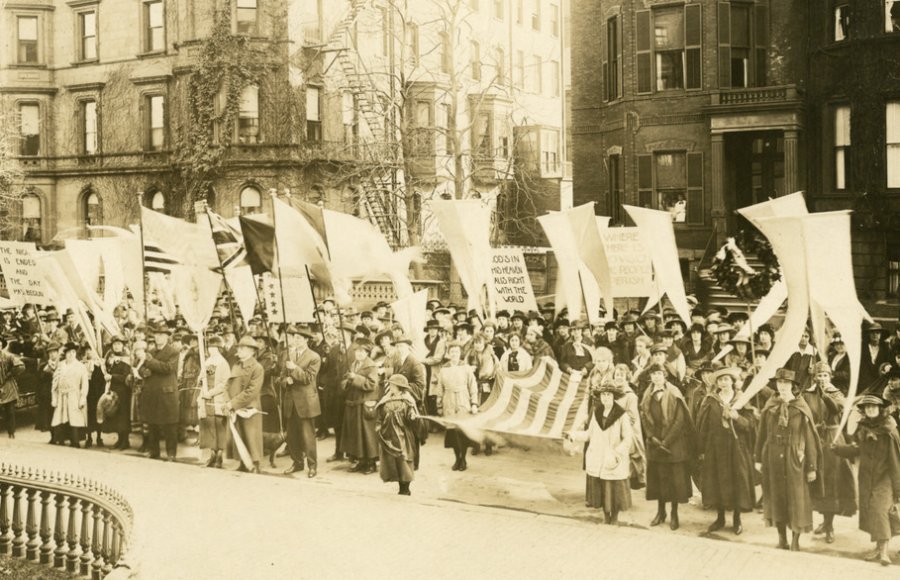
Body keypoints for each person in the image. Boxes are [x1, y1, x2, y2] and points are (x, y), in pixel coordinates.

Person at [755, 368, 823, 551]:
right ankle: (781, 538)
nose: (783, 386)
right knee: (777, 497)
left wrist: (812, 467)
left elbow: (810, 438)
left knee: (796, 499)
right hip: (772, 457)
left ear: (793, 386)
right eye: (780, 383)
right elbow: (761, 434)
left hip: (795, 458)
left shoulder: (801, 407)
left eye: (786, 383)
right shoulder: (770, 406)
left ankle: (795, 540)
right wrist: (758, 459)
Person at [832, 395, 900, 567]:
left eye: (873, 406)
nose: (870, 409)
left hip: (884, 477)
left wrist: (897, 488)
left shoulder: (889, 430)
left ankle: (884, 552)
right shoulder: (863, 429)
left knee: (880, 511)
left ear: (880, 409)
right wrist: (839, 449)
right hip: (866, 477)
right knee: (872, 512)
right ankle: (878, 548)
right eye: (867, 407)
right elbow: (858, 450)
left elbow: (895, 461)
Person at [696, 367, 756, 535]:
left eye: (726, 379)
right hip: (715, 447)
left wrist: (736, 417)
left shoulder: (741, 399)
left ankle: (737, 519)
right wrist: (702, 448)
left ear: (732, 381)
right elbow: (704, 425)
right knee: (717, 480)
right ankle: (720, 517)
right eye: (720, 380)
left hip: (736, 447)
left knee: (736, 480)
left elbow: (750, 425)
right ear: (717, 383)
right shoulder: (711, 400)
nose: (723, 382)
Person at [804, 362, 857, 543]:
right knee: (818, 479)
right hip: (815, 437)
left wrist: (826, 396)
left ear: (830, 377)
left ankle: (830, 524)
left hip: (833, 438)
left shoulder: (837, 393)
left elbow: (837, 409)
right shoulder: (808, 394)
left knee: (833, 480)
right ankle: (824, 521)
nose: (822, 379)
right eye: (819, 376)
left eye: (825, 375)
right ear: (814, 377)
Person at [640, 364, 696, 530]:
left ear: (664, 375)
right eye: (653, 374)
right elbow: (644, 416)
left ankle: (674, 513)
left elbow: (680, 421)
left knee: (674, 481)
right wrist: (651, 437)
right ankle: (660, 511)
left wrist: (666, 442)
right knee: (658, 479)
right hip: (655, 443)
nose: (656, 377)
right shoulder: (647, 394)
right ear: (650, 377)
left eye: (659, 373)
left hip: (673, 444)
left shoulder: (674, 393)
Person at [568, 383, 633, 524]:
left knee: (613, 490)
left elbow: (628, 438)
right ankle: (606, 517)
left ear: (614, 397)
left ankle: (614, 518)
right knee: (602, 489)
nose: (605, 398)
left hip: (613, 459)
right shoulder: (597, 412)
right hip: (598, 456)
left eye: (608, 395)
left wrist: (617, 453)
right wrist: (573, 435)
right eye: (603, 395)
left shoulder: (621, 415)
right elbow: (589, 434)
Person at [281, 325, 322, 478]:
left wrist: (294, 368)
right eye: (294, 337)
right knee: (292, 436)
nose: (296, 340)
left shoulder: (314, 357)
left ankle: (312, 466)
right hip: (291, 402)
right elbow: (281, 378)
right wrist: (286, 381)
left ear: (306, 340)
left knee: (308, 436)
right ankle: (297, 462)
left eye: (299, 338)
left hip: (306, 403)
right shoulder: (288, 355)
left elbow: (308, 378)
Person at [435, 341, 479, 472]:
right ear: (448, 354)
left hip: (463, 401)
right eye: (452, 351)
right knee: (452, 433)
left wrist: (474, 403)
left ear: (460, 354)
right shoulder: (443, 369)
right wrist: (439, 405)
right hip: (448, 401)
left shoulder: (466, 368)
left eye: (457, 352)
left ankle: (463, 459)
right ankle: (457, 458)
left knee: (462, 433)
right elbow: (440, 389)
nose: (454, 354)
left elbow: (473, 387)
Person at [140, 324, 181, 461]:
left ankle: (171, 454)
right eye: (156, 335)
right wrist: (143, 372)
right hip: (151, 392)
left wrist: (151, 363)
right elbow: (141, 367)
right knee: (152, 424)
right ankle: (154, 451)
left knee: (170, 425)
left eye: (161, 335)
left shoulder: (173, 352)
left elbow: (168, 368)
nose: (158, 337)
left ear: (167, 337)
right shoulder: (150, 352)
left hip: (166, 394)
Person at [225, 335, 265, 474]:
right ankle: (243, 461)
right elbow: (228, 385)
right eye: (239, 348)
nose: (239, 351)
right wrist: (227, 401)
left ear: (252, 351)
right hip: (236, 407)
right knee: (239, 435)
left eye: (242, 348)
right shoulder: (236, 365)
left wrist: (233, 403)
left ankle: (255, 464)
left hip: (249, 408)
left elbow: (252, 391)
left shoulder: (257, 367)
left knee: (251, 436)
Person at [340, 340, 380, 474]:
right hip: (353, 403)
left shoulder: (371, 366)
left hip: (365, 405)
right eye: (357, 351)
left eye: (362, 351)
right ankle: (360, 460)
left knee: (367, 435)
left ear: (367, 353)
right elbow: (349, 381)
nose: (359, 354)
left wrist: (355, 377)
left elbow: (372, 385)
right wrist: (347, 381)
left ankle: (371, 463)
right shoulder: (353, 364)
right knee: (356, 434)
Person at [376, 374, 420, 496]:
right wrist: (379, 426)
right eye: (390, 385)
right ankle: (399, 484)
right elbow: (380, 414)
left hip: (403, 435)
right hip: (388, 435)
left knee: (404, 459)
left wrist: (412, 417)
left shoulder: (407, 400)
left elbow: (413, 417)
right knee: (392, 460)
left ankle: (405, 487)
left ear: (399, 387)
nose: (390, 387)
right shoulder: (386, 399)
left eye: (392, 385)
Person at [198, 335, 230, 469]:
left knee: (219, 426)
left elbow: (225, 384)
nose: (211, 350)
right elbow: (200, 378)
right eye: (209, 347)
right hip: (206, 398)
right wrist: (201, 380)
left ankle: (220, 456)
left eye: (214, 347)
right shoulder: (206, 361)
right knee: (209, 425)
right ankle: (212, 453)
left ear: (219, 348)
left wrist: (210, 393)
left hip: (218, 398)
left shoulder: (223, 363)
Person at [51, 343, 89, 448]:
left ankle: (75, 441)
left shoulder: (81, 366)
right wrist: (54, 397)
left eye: (73, 352)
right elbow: (55, 382)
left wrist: (82, 398)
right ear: (65, 354)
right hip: (61, 395)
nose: (71, 354)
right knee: (61, 416)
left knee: (75, 417)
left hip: (74, 395)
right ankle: (60, 439)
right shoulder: (61, 365)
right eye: (68, 352)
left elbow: (85, 384)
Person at [103, 336, 133, 450]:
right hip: (114, 390)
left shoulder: (126, 359)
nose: (116, 346)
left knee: (123, 416)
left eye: (119, 344)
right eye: (115, 344)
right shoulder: (110, 358)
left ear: (123, 346)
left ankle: (125, 441)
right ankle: (120, 439)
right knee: (116, 415)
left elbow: (125, 377)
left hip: (123, 391)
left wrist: (112, 376)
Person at [0, 338, 25, 439]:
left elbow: (21, 366)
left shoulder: (8, 356)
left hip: (7, 386)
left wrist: (10, 374)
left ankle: (11, 432)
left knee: (9, 410)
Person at [38, 342, 62, 443]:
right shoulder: (44, 366)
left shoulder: (62, 364)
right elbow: (40, 380)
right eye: (50, 352)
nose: (52, 354)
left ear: (58, 353)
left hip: (60, 393)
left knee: (60, 414)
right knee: (50, 414)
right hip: (48, 394)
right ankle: (53, 436)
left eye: (54, 352)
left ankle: (61, 437)